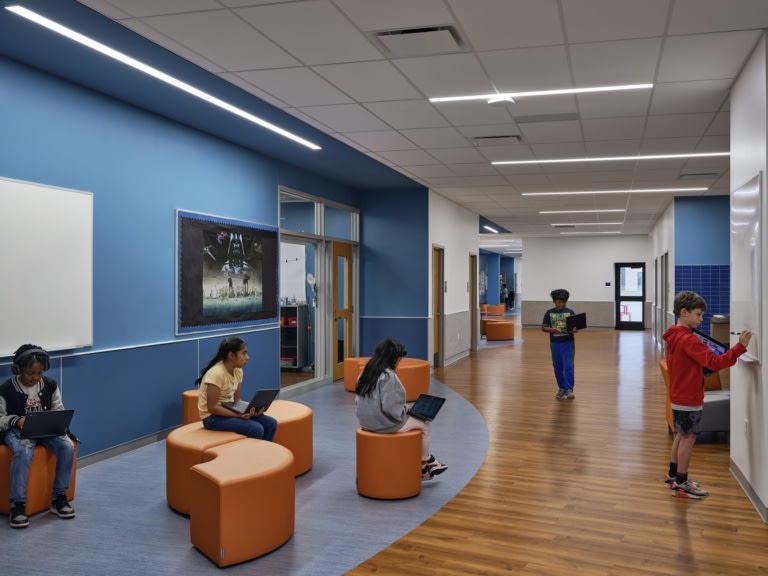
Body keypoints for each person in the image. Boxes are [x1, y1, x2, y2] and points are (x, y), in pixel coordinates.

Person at [662, 291, 751, 499]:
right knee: (689, 437)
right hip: (689, 396)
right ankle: (681, 483)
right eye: (699, 314)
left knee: (681, 434)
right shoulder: (689, 340)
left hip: (678, 394)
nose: (701, 319)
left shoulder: (674, 334)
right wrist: (740, 348)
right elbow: (715, 362)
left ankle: (673, 475)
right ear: (684, 313)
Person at [0, 345, 76, 529]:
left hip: (46, 429)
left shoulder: (50, 385)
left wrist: (56, 423)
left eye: (40, 373)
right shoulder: (6, 389)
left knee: (67, 446)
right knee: (23, 450)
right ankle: (17, 504)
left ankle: (59, 498)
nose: (35, 377)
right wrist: (17, 420)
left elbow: (57, 409)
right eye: (30, 373)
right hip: (16, 429)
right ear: (18, 369)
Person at [355, 338, 447, 481]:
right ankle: (424, 466)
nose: (399, 362)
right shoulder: (389, 376)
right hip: (384, 424)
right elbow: (391, 409)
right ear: (393, 358)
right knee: (425, 425)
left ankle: (430, 460)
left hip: (365, 422)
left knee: (415, 419)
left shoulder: (365, 372)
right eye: (399, 359)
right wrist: (405, 410)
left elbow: (358, 400)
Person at [196, 337, 277, 441]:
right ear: (231, 355)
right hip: (211, 418)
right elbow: (212, 407)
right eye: (244, 353)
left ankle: (263, 450)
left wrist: (251, 410)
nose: (247, 358)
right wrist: (238, 415)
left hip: (228, 410)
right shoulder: (216, 374)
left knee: (271, 423)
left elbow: (237, 400)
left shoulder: (238, 371)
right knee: (256, 429)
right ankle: (250, 452)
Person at [541, 288, 579, 400]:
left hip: (568, 344)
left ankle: (569, 389)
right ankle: (561, 388)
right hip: (555, 344)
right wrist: (553, 330)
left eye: (564, 302)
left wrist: (574, 330)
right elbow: (543, 328)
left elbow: (575, 328)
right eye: (559, 302)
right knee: (557, 367)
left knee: (568, 366)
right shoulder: (549, 313)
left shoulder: (570, 312)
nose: (561, 304)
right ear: (554, 301)